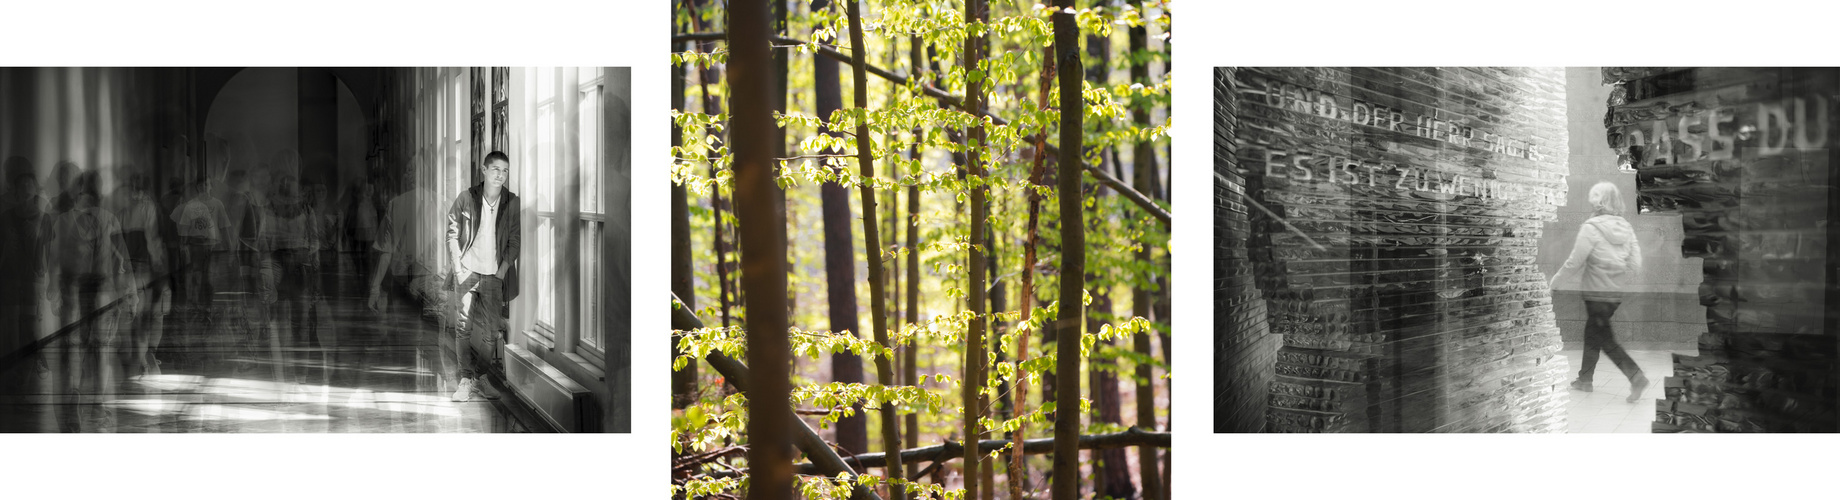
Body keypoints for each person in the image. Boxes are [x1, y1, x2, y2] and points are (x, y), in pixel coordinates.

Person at [1552, 181, 1648, 403]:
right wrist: (1616, 272)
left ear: (1598, 201)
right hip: (1614, 294)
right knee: (1593, 333)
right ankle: (1584, 380)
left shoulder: (1591, 227)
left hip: (1595, 293)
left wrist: (1555, 282)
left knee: (1604, 338)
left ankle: (1636, 377)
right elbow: (1636, 263)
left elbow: (1575, 262)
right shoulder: (1626, 227)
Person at [444, 151, 519, 402]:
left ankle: (480, 377)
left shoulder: (511, 202)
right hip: (466, 271)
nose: (501, 175)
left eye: (505, 171)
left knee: (491, 332)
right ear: (484, 171)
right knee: (463, 328)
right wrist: (457, 267)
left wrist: (502, 271)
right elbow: (452, 233)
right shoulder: (466, 197)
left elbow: (514, 241)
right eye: (496, 169)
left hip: (493, 276)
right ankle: (465, 380)